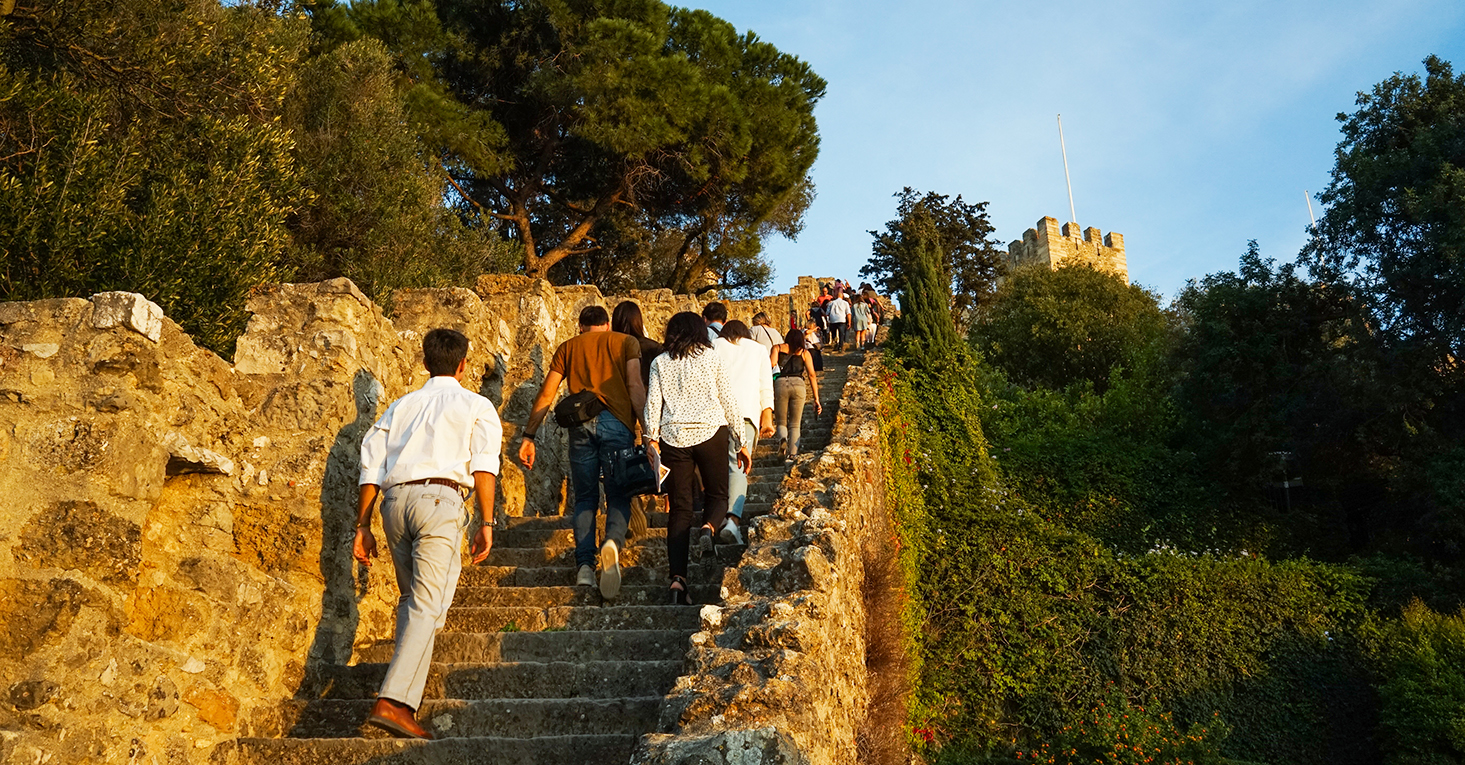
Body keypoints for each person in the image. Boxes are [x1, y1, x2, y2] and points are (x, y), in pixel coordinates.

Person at [352, 328, 501, 740]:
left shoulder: (400, 407)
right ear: (464, 364)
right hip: (441, 501)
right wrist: (487, 523)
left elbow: (372, 465)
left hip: (394, 504)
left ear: (424, 363)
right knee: (426, 604)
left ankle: (403, 704)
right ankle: (391, 699)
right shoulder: (476, 404)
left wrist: (363, 526)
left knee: (415, 604)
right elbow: (484, 466)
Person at [519, 305, 645, 600]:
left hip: (580, 426)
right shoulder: (625, 342)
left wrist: (529, 434)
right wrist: (648, 427)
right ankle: (612, 542)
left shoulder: (568, 348)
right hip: (618, 423)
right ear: (606, 324)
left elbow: (547, 393)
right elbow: (635, 385)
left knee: (585, 497)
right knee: (618, 494)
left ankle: (585, 567)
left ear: (580, 326)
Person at [644, 312, 750, 604]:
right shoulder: (712, 357)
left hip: (673, 436)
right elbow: (728, 398)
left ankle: (678, 580)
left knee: (679, 508)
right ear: (700, 331)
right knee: (718, 494)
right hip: (711, 430)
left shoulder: (659, 363)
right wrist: (740, 441)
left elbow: (652, 404)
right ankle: (709, 527)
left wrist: (650, 440)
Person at [713, 320, 775, 544]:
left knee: (718, 467)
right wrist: (767, 415)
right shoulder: (758, 350)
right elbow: (765, 385)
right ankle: (732, 519)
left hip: (715, 416)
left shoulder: (714, 345)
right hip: (746, 414)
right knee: (738, 467)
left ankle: (716, 518)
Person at [612, 300, 664, 541]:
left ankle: (634, 509)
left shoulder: (613, 347)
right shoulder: (655, 348)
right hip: (653, 409)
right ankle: (661, 497)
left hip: (621, 410)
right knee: (655, 456)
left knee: (625, 462)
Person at [768, 328, 821, 460]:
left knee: (781, 421)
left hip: (780, 384)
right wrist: (816, 398)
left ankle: (783, 438)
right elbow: (812, 375)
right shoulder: (804, 353)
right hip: (798, 384)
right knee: (795, 424)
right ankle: (792, 455)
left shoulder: (777, 348)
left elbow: (771, 365)